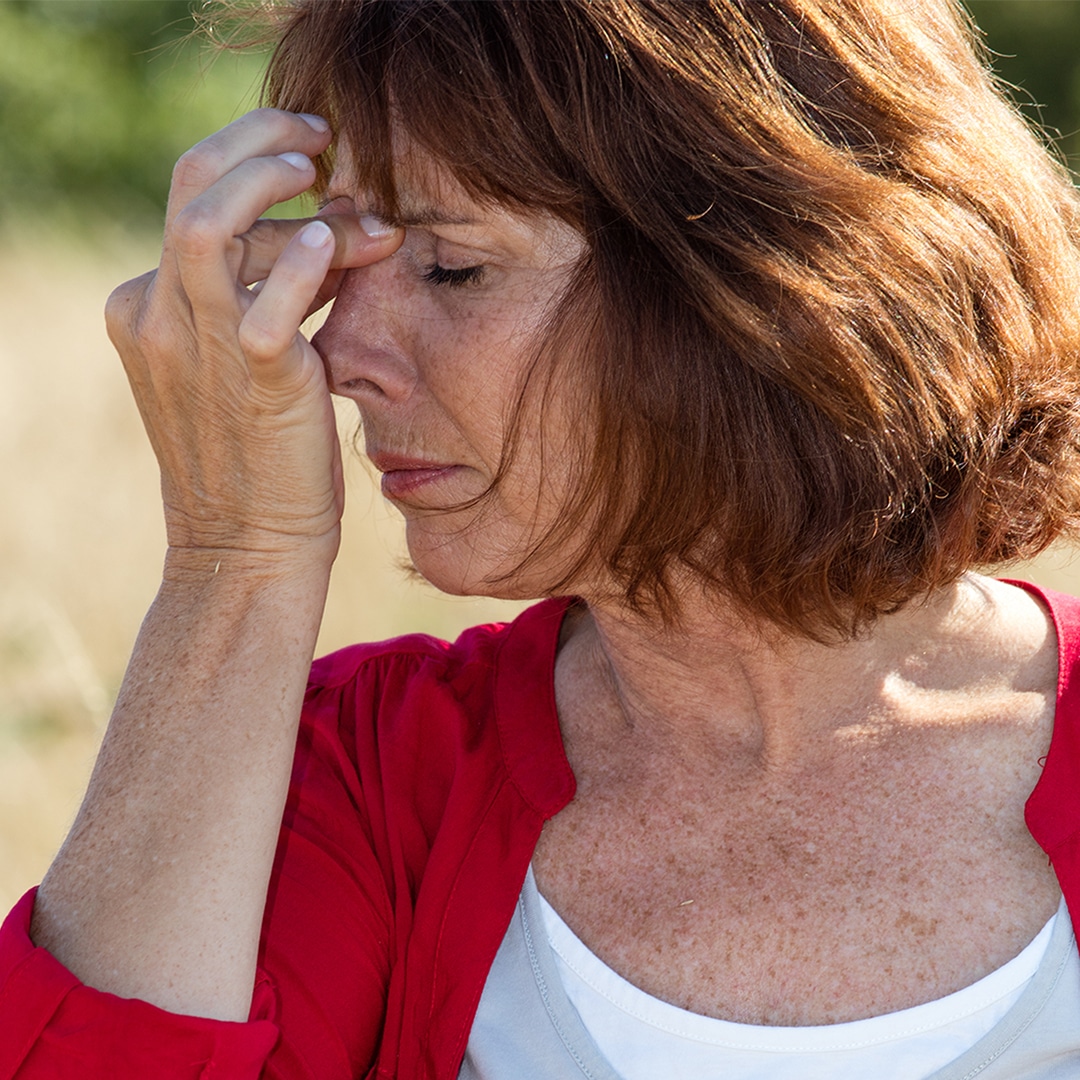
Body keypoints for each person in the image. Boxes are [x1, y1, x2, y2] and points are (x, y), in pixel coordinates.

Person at [3, 0, 1080, 1076]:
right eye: (340, 270)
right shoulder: (364, 775)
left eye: (451, 270)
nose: (337, 357)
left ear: (766, 284)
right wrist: (232, 557)